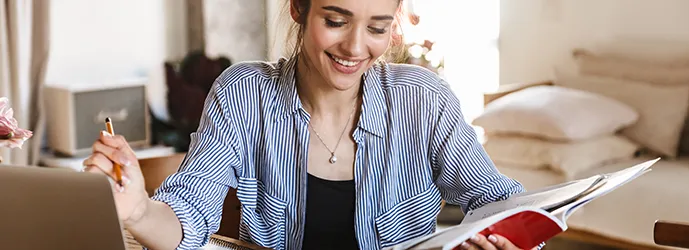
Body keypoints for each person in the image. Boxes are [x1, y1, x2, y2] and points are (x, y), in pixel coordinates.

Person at [83, 0, 542, 249]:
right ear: (298, 9)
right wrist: (140, 211)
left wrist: (502, 238)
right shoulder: (243, 94)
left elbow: (496, 201)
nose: (356, 47)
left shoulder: (424, 99)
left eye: (378, 28)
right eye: (336, 20)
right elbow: (188, 215)